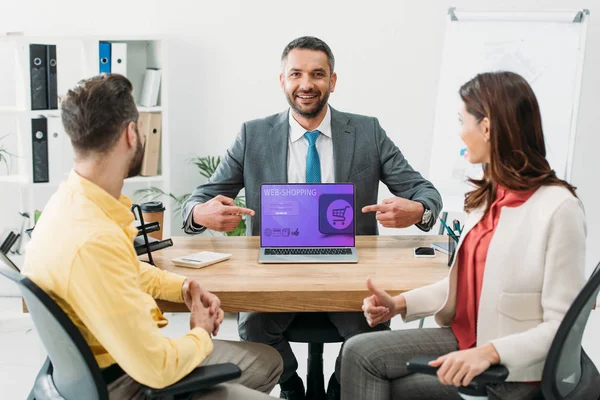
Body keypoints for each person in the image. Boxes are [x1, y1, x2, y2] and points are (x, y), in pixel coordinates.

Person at [181, 36, 443, 399]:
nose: (306, 84)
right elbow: (197, 201)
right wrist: (200, 212)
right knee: (255, 327)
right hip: (273, 271)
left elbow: (426, 194)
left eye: (318, 74)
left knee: (371, 334)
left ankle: (339, 387)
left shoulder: (367, 132)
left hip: (351, 273)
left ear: (332, 81)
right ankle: (291, 384)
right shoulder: (252, 135)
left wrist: (418, 210)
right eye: (296, 74)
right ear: (283, 81)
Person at [22, 74, 282, 400]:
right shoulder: (94, 240)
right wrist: (200, 330)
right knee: (266, 365)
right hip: (129, 384)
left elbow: (119, 267)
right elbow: (157, 368)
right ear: (132, 134)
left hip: (97, 371)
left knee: (269, 359)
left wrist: (183, 286)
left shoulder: (68, 205)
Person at [340, 71, 587, 400]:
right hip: (467, 339)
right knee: (359, 353)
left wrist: (488, 353)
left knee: (388, 380)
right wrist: (399, 304)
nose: (459, 134)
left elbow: (562, 328)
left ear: (486, 128)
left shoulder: (559, 209)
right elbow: (464, 286)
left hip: (512, 370)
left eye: (462, 121)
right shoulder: (489, 197)